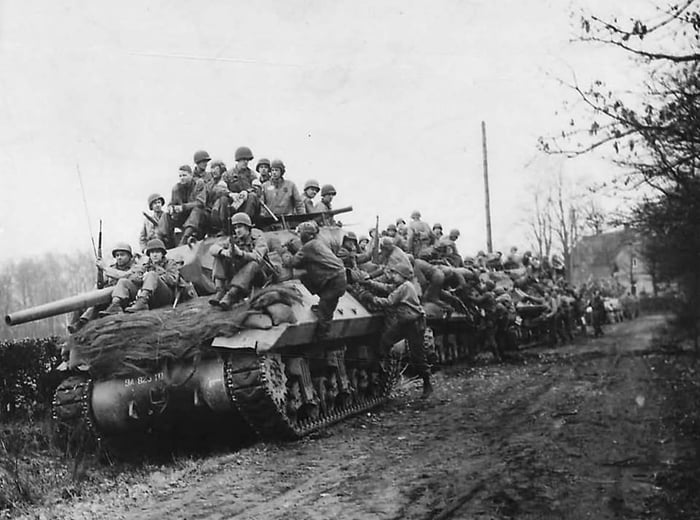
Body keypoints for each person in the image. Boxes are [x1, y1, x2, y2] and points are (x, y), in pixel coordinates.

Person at [362, 263, 433, 398]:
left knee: (417, 356)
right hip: (404, 322)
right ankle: (383, 366)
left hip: (414, 324)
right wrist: (370, 283)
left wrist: (371, 298)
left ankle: (427, 383)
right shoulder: (401, 286)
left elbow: (389, 301)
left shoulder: (405, 287)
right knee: (386, 339)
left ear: (403, 276)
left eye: (396, 274)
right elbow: (387, 287)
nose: (393, 276)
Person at [282, 220, 346, 340]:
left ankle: (321, 338)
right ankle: (323, 308)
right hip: (337, 277)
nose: (299, 235)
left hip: (332, 281)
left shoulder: (309, 247)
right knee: (326, 300)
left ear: (307, 235)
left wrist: (284, 252)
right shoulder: (318, 243)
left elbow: (292, 262)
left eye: (300, 233)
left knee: (325, 315)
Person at [68, 242, 136, 332]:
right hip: (106, 297)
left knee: (97, 303)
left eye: (122, 255)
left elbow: (124, 276)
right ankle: (74, 327)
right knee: (79, 302)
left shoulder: (134, 268)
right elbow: (99, 286)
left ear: (129, 256)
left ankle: (82, 322)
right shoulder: (112, 268)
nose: (119, 257)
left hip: (122, 298)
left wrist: (104, 268)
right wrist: (100, 274)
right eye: (117, 255)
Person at [100, 239, 180, 315]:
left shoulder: (170, 263)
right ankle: (116, 304)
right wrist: (141, 277)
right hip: (150, 297)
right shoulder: (145, 265)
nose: (154, 255)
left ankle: (142, 302)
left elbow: (173, 279)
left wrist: (155, 276)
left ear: (162, 253)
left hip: (164, 295)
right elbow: (132, 277)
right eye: (152, 252)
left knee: (151, 274)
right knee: (123, 281)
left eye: (157, 252)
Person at [208, 212, 269, 310]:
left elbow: (258, 257)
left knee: (253, 264)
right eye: (235, 227)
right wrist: (224, 252)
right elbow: (212, 248)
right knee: (218, 256)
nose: (237, 230)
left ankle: (231, 295)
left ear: (247, 227)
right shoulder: (234, 239)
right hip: (242, 278)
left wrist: (241, 254)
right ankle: (220, 291)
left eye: (240, 227)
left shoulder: (258, 238)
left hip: (259, 277)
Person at [157, 165, 207, 247]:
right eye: (180, 176)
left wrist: (183, 207)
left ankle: (184, 239)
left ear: (191, 175)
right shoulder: (176, 188)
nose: (182, 178)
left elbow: (200, 202)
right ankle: (162, 242)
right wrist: (171, 207)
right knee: (165, 215)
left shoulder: (199, 183)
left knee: (197, 210)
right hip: (184, 218)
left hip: (199, 219)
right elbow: (172, 202)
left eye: (184, 175)